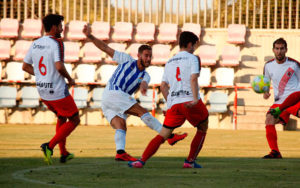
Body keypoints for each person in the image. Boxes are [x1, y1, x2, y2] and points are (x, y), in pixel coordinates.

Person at [82, 25, 187, 161]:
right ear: (138, 55)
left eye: (150, 56)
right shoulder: (125, 59)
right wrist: (89, 36)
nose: (148, 59)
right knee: (142, 112)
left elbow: (144, 81)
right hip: (114, 93)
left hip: (109, 99)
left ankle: (120, 152)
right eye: (146, 56)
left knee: (121, 125)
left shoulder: (146, 75)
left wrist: (143, 86)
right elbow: (105, 48)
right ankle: (170, 137)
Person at [128, 31, 209, 168]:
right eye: (194, 45)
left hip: (175, 103)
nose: (194, 48)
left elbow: (164, 86)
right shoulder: (193, 58)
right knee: (202, 127)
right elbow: (193, 78)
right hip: (189, 99)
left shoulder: (170, 61)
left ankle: (141, 161)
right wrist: (195, 100)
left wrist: (170, 105)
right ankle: (189, 161)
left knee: (163, 134)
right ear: (190, 44)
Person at [22, 14, 80, 165]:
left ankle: (64, 153)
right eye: (60, 25)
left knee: (62, 117)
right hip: (57, 90)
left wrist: (42, 76)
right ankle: (49, 146)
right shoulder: (57, 43)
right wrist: (70, 79)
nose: (62, 28)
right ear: (54, 27)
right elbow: (59, 66)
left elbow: (25, 66)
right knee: (74, 119)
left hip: (43, 91)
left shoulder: (35, 43)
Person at [262, 38, 300, 159]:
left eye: (282, 49)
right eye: (277, 49)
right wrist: (265, 92)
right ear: (273, 50)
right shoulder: (268, 66)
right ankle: (275, 152)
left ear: (286, 50)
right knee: (269, 119)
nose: (279, 51)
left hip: (295, 99)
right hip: (280, 102)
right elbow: (266, 83)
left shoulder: (294, 64)